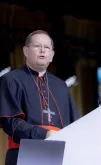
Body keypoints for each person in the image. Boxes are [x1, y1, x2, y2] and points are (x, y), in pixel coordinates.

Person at [0, 30, 79, 165]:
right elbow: (10, 122)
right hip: (22, 155)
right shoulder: (11, 79)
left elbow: (75, 126)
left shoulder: (61, 86)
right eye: (37, 46)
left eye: (47, 47)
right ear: (25, 51)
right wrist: (44, 135)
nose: (42, 50)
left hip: (59, 156)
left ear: (52, 55)